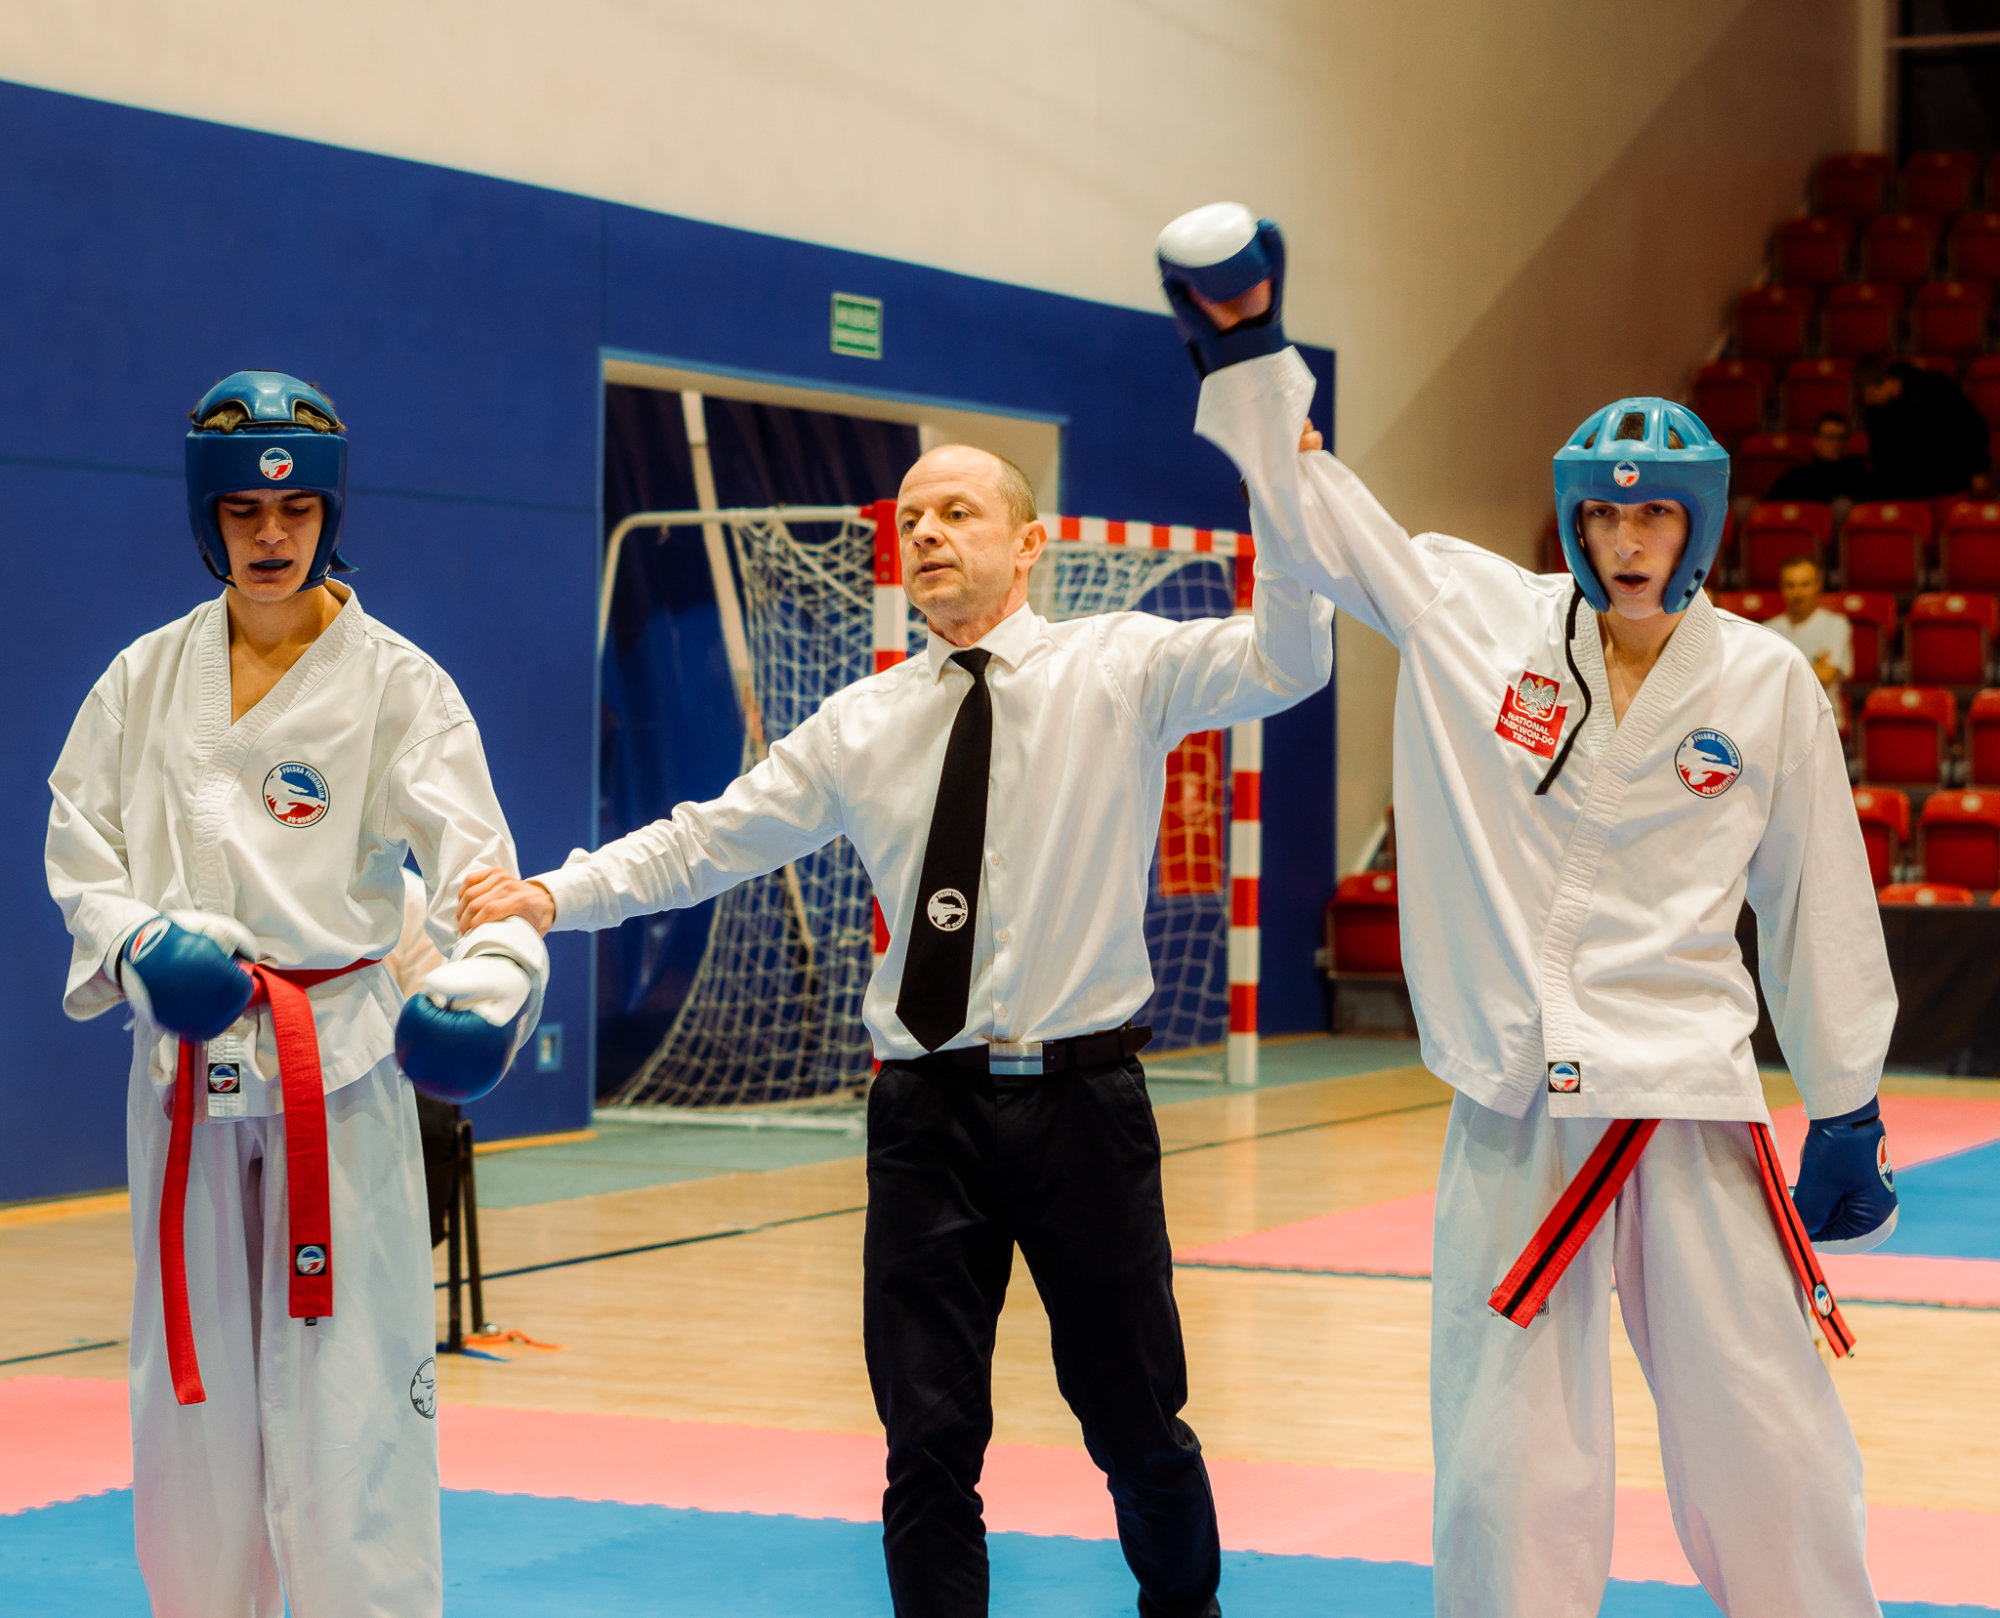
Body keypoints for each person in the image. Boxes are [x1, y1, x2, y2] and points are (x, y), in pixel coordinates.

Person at [1157, 203, 1900, 1618]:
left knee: (1771, 1442)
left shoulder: (1762, 683)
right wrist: (1249, 350)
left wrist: (1847, 1099)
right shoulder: (1478, 617)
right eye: (1603, 512)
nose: (1626, 539)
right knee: (1507, 1467)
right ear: (1571, 517)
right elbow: (1322, 517)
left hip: (1686, 1103)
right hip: (1513, 1100)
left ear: (1702, 522)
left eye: (1655, 511)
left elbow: (1818, 899)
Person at [456, 442, 1333, 1617]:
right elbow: (706, 839)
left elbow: (1289, 657)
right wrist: (551, 895)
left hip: (1083, 1106)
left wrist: (1285, 503)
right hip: (926, 1114)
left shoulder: (1117, 666)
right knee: (926, 1441)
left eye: (958, 512)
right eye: (912, 516)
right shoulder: (861, 721)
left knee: (1134, 1421)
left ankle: (1184, 1609)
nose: (925, 534)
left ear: (1027, 542)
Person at [45, 371, 549, 1618]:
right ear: (203, 514)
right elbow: (80, 850)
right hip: (187, 1076)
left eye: (297, 511)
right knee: (193, 1420)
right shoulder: (141, 680)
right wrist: (139, 944)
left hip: (344, 1074)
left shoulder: (400, 686)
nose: (270, 536)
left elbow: (482, 876)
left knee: (355, 1414)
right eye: (242, 513)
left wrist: (490, 990)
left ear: (331, 510)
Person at [1855, 354, 1990, 499]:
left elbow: (1971, 426)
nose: (1868, 401)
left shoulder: (1936, 385)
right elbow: (1880, 457)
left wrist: (1978, 468)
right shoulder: (1874, 411)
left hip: (1949, 478)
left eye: (1870, 394)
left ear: (1886, 383)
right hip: (1904, 488)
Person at [1762, 554, 1853, 719]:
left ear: (1818, 585)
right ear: (1781, 587)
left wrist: (1781, 668)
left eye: (1805, 584)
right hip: (1779, 719)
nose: (1797, 593)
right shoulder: (1768, 629)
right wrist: (1814, 664)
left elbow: (1826, 675)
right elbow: (1764, 679)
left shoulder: (1836, 625)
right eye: (1790, 585)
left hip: (1823, 720)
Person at [1766, 410, 1870, 506]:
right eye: (1830, 438)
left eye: (1842, 438)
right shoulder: (1799, 477)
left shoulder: (1859, 475)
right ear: (1816, 441)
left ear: (1848, 442)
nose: (1836, 443)